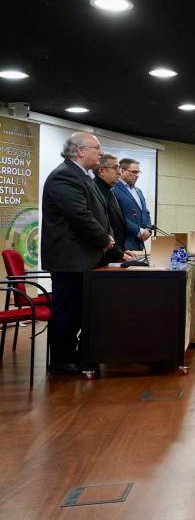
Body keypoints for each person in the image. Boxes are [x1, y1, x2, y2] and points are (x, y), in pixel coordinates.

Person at [41, 133, 115, 374]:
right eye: (97, 148)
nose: (101, 153)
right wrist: (104, 240)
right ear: (80, 151)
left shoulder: (84, 177)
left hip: (83, 258)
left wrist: (108, 238)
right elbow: (80, 217)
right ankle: (62, 362)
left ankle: (75, 355)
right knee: (67, 312)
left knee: (78, 311)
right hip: (70, 260)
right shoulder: (64, 176)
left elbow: (99, 213)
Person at [93, 153, 136, 265]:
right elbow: (104, 226)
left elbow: (116, 225)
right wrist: (119, 253)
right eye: (115, 168)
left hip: (114, 253)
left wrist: (123, 250)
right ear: (102, 171)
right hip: (103, 256)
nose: (119, 172)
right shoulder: (95, 190)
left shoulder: (109, 190)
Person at [112, 158, 153, 251]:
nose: (137, 175)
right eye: (134, 172)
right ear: (122, 171)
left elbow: (145, 212)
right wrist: (138, 231)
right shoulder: (114, 189)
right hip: (124, 244)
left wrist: (148, 230)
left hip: (139, 244)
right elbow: (118, 216)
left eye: (138, 172)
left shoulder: (138, 191)